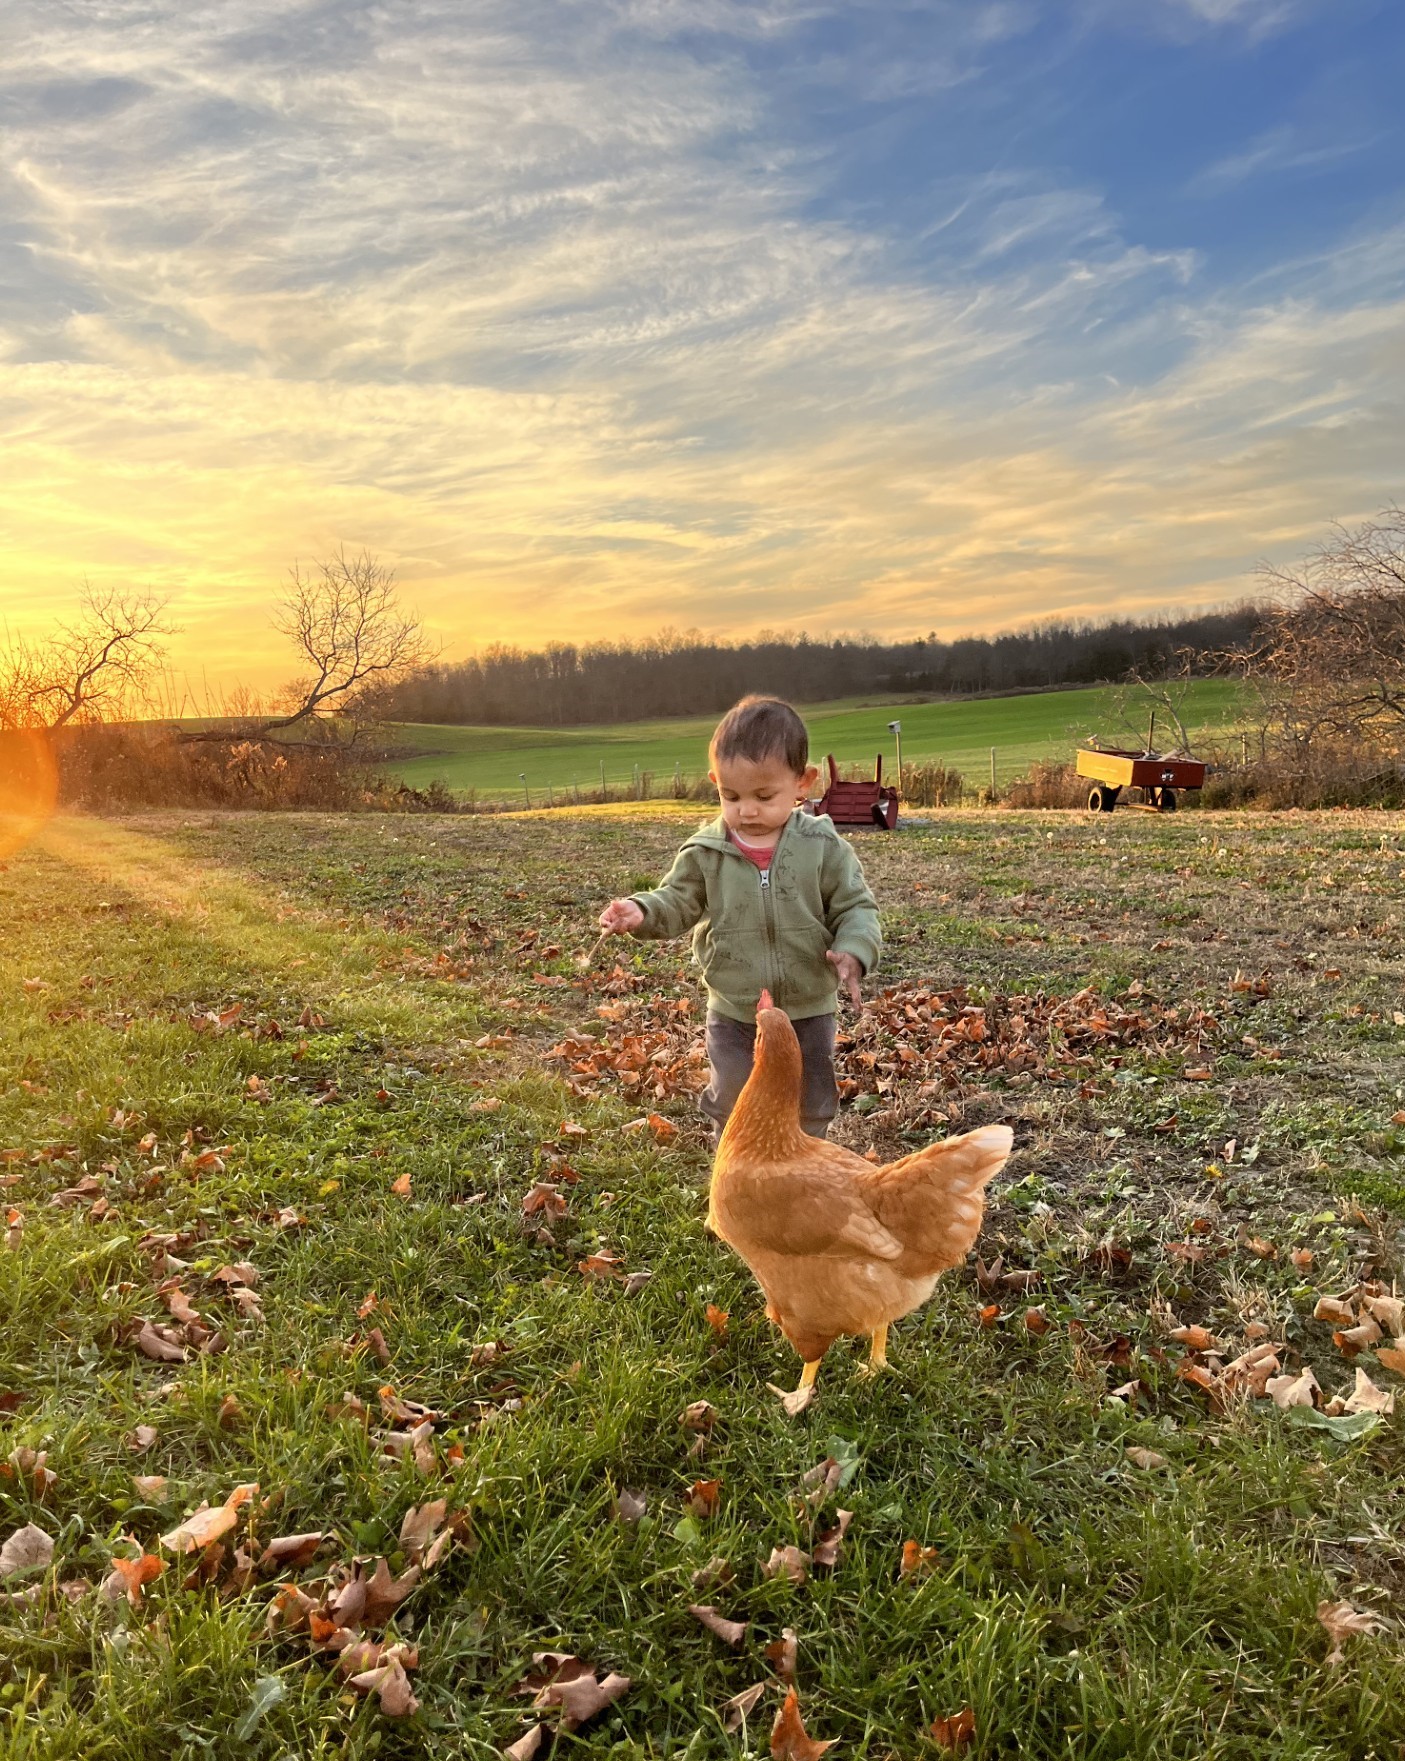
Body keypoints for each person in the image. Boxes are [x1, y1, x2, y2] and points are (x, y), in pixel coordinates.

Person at [597, 695, 881, 1141]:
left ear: (802, 783)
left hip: (808, 1007)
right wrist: (643, 910)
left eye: (764, 796)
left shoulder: (823, 848)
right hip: (733, 1007)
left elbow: (856, 907)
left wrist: (854, 949)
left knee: (810, 1097)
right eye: (731, 796)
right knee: (733, 1096)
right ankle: (737, 1173)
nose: (747, 810)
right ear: (715, 782)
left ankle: (804, 1164)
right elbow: (678, 900)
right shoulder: (706, 852)